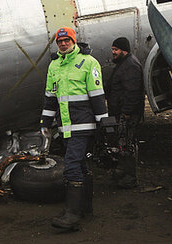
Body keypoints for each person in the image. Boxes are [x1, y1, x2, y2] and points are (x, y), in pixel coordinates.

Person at [40, 27, 107, 231]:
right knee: (81, 166)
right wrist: (45, 123)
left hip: (84, 124)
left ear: (74, 41)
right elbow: (50, 98)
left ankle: (72, 215)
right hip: (66, 127)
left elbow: (97, 95)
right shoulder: (54, 66)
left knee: (70, 166)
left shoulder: (88, 62)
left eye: (66, 40)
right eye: (59, 42)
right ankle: (84, 208)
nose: (63, 44)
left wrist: (103, 123)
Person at [105, 37, 145, 189]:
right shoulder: (124, 63)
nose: (113, 52)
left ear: (124, 50)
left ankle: (130, 178)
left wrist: (126, 113)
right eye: (113, 49)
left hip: (127, 115)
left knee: (127, 146)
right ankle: (123, 172)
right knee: (122, 144)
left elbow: (133, 92)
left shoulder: (130, 66)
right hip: (121, 112)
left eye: (116, 50)